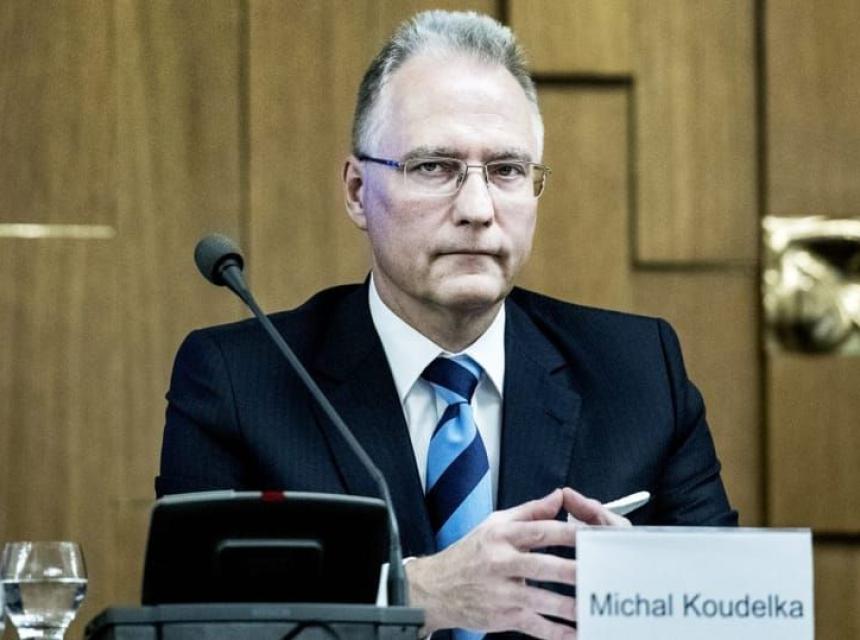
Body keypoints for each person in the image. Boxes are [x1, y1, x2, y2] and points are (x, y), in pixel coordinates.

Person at [158, 10, 737, 640]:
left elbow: (732, 612)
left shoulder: (640, 372)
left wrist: (646, 592)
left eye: (507, 170)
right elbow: (192, 622)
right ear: (356, 191)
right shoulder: (240, 381)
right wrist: (414, 594)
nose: (477, 209)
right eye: (434, 167)